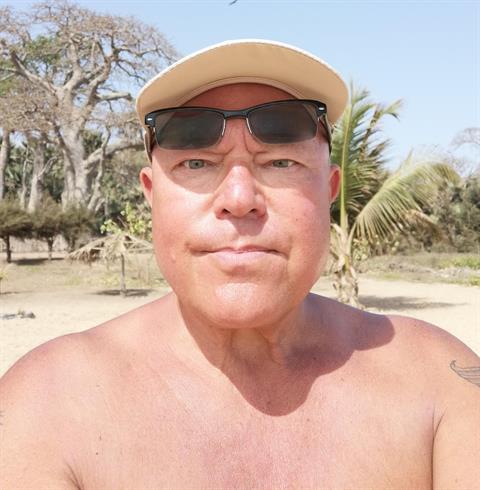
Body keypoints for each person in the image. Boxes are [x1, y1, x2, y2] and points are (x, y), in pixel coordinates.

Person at [1, 39, 479, 489]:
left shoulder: (436, 383)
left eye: (280, 163)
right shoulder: (47, 404)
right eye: (196, 164)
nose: (238, 198)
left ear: (329, 192)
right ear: (152, 194)